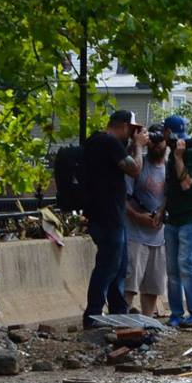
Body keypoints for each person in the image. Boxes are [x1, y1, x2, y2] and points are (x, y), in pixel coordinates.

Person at [81, 109, 141, 328]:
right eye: (132, 129)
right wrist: (140, 147)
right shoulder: (109, 142)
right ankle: (93, 313)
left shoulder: (95, 141)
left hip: (107, 214)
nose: (133, 134)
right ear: (124, 126)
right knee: (109, 265)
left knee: (120, 264)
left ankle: (118, 310)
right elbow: (134, 169)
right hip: (108, 215)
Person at [161, 115, 192, 328]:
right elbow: (170, 188)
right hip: (174, 217)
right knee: (172, 268)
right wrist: (161, 211)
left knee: (186, 264)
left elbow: (186, 184)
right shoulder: (171, 157)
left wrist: (179, 157)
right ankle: (176, 313)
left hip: (191, 216)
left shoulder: (190, 156)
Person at [124, 127, 171, 318]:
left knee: (153, 285)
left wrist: (161, 213)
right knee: (129, 283)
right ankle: (122, 318)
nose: (156, 143)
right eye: (152, 139)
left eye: (160, 140)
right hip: (135, 234)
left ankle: (147, 321)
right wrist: (136, 215)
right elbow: (122, 197)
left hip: (158, 236)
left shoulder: (169, 168)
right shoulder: (138, 165)